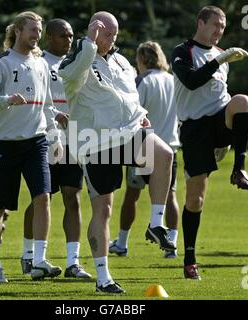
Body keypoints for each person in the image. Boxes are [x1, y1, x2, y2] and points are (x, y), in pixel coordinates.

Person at [59, 11, 175, 294]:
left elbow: (129, 97)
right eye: (106, 34)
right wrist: (89, 42)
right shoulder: (75, 61)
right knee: (104, 209)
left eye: (114, 35)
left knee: (164, 155)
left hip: (128, 133)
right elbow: (73, 77)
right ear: (93, 31)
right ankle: (103, 278)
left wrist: (142, 116)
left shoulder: (123, 62)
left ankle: (156, 224)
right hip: (96, 143)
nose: (111, 40)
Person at [0, 11, 62, 283]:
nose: (37, 35)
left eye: (39, 31)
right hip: (2, 145)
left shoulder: (41, 64)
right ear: (18, 32)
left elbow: (47, 104)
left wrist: (55, 132)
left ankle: (38, 260)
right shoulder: (0, 62)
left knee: (43, 197)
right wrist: (5, 100)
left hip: (35, 143)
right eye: (33, 31)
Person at [171, 5, 248, 280]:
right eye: (215, 25)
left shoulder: (222, 56)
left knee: (241, 101)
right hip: (194, 130)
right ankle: (190, 259)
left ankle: (239, 168)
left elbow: (221, 94)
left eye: (222, 27)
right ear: (200, 23)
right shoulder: (182, 52)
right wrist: (219, 61)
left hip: (219, 121)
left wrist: (221, 59)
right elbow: (192, 82)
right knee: (195, 200)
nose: (219, 31)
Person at [20, 19, 91, 279]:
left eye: (71, 35)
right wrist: (53, 113)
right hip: (46, 139)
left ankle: (73, 263)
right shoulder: (40, 62)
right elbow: (34, 99)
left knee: (73, 198)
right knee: (42, 198)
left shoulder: (78, 63)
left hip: (73, 141)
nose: (68, 40)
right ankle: (29, 255)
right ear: (49, 36)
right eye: (63, 35)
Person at [109, 41, 180, 259]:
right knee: (170, 196)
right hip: (171, 145)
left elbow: (134, 112)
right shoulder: (173, 81)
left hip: (146, 146)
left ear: (141, 59)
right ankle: (172, 244)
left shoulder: (143, 81)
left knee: (132, 196)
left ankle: (121, 242)